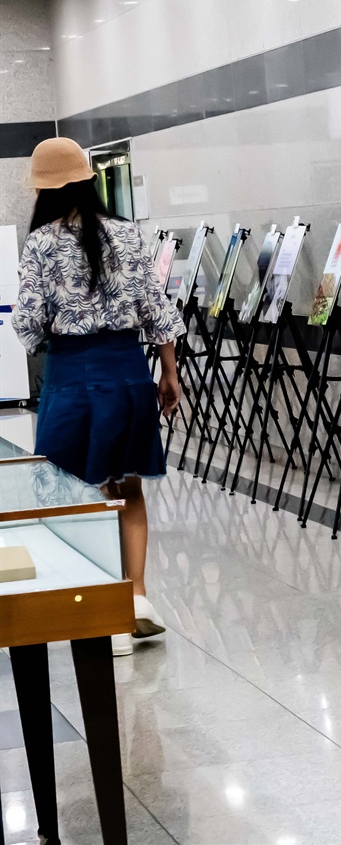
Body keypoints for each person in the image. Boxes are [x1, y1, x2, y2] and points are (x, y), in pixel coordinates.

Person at [13, 137, 183, 658]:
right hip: (129, 371)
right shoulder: (130, 236)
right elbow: (159, 309)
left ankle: (99, 609)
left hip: (71, 377)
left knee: (75, 496)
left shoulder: (41, 244)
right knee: (127, 487)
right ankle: (136, 598)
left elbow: (27, 324)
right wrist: (169, 374)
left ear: (44, 191)